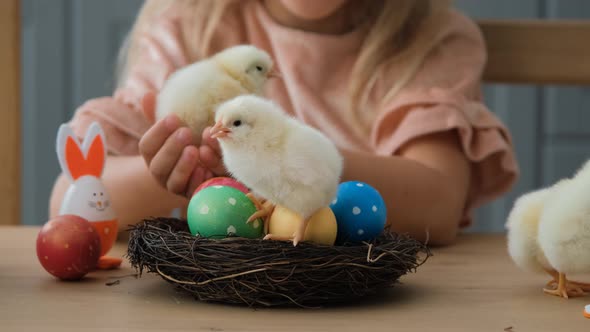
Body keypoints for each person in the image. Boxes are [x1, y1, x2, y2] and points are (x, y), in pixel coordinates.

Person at [49, 0, 519, 245]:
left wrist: (273, 153)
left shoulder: (428, 40)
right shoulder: (188, 27)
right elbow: (68, 201)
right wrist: (182, 168)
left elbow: (437, 206)